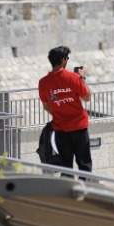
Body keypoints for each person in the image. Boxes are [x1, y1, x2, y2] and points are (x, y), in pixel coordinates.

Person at [38, 46, 92, 177]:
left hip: (60, 129)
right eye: (66, 58)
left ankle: (67, 193)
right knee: (84, 164)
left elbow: (46, 105)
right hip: (79, 127)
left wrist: (59, 113)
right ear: (63, 60)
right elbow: (87, 97)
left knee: (66, 166)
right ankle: (83, 191)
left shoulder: (43, 82)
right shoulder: (73, 78)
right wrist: (82, 77)